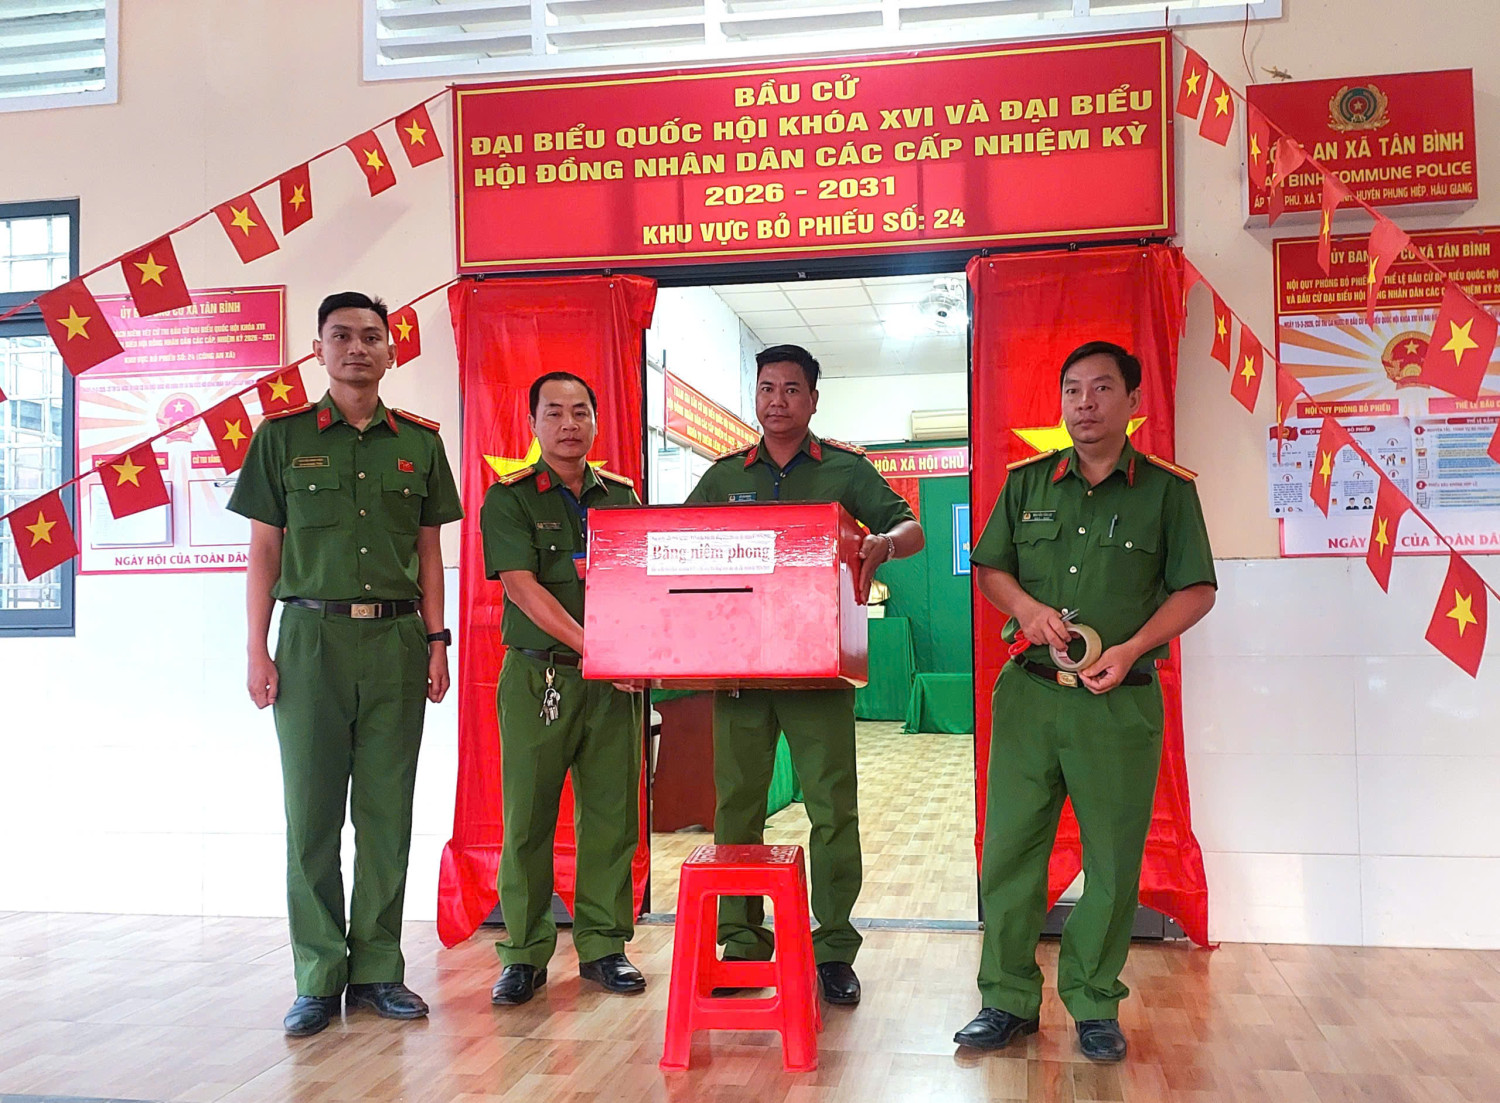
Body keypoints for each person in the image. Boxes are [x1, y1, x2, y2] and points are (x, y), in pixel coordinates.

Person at [954, 341, 1216, 1062]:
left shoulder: (1166, 492)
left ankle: (1095, 1001)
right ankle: (1006, 999)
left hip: (1119, 702)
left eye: (1102, 388)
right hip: (1031, 696)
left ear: (1133, 401)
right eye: (1073, 389)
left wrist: (1132, 647)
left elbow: (1197, 589)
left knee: (1113, 859)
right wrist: (1027, 608)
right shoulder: (1027, 483)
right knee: (1011, 852)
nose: (1085, 403)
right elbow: (992, 567)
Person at [230, 291, 464, 1037]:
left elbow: (429, 552)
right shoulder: (281, 437)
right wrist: (257, 648)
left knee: (387, 814)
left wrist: (438, 641)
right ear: (319, 349)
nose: (357, 348)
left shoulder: (419, 444)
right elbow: (264, 550)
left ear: (391, 350)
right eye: (341, 336)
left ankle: (376, 972)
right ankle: (317, 975)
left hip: (397, 641)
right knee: (312, 816)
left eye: (370, 336)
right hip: (310, 641)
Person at [685, 344, 924, 1006]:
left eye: (792, 389)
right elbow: (682, 540)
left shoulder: (846, 470)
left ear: (813, 400)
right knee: (737, 806)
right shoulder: (724, 475)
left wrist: (883, 543)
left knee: (831, 807)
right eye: (767, 388)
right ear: (755, 397)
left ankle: (833, 947)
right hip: (741, 669)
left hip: (818, 668)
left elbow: (911, 528)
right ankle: (741, 941)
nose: (778, 401)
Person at [481, 371, 646, 1007]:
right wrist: (594, 645)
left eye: (581, 411)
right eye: (553, 413)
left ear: (597, 422)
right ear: (534, 424)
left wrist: (639, 651)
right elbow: (522, 587)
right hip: (539, 676)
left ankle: (604, 946)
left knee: (611, 816)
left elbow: (644, 582)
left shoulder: (623, 498)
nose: (568, 424)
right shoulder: (511, 499)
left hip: (615, 683)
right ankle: (524, 953)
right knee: (528, 818)